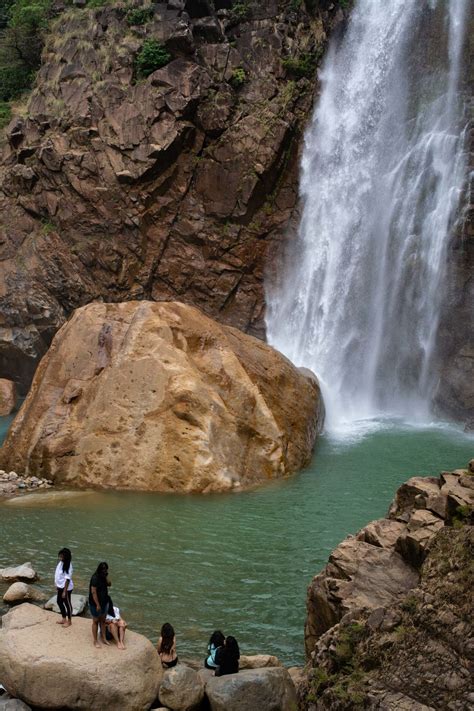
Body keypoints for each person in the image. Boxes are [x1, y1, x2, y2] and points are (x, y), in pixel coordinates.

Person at [89, 562, 111, 648]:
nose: (104, 571)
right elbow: (93, 592)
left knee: (103, 620)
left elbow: (109, 584)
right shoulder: (95, 578)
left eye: (105, 569)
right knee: (95, 621)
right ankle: (95, 641)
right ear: (99, 569)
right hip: (95, 603)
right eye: (103, 569)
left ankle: (104, 638)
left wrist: (106, 576)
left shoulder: (103, 577)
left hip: (104, 601)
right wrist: (97, 605)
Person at [54, 547, 73, 627]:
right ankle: (63, 618)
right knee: (59, 601)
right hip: (60, 586)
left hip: (66, 588)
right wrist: (56, 585)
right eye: (60, 556)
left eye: (62, 556)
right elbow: (58, 574)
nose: (60, 558)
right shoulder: (61, 563)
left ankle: (69, 621)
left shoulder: (68, 566)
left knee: (67, 604)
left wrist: (65, 591)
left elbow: (67, 579)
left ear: (66, 557)